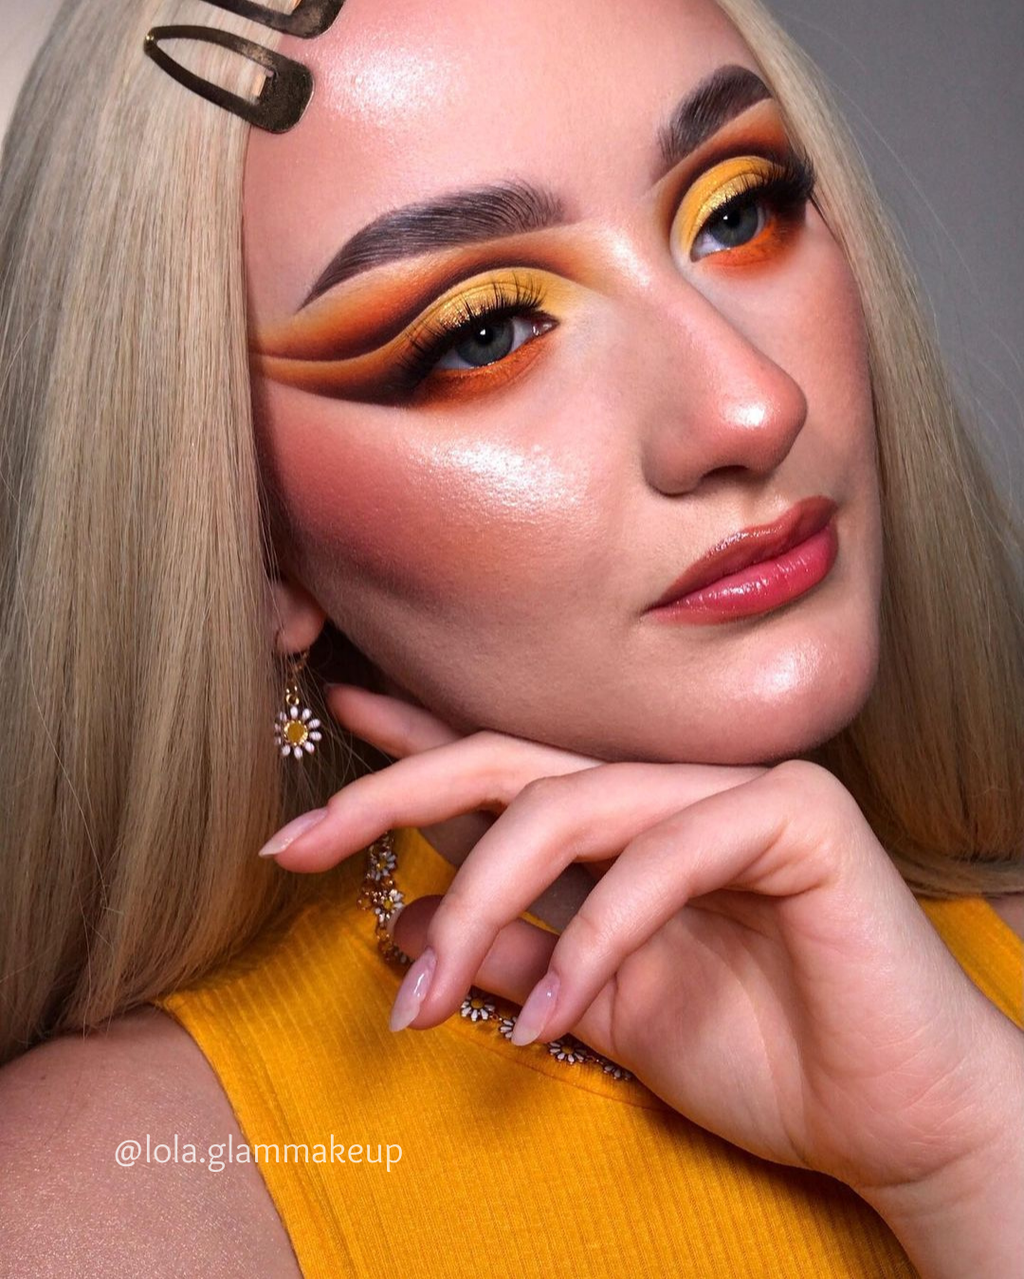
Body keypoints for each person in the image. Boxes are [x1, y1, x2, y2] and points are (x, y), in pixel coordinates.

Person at [0, 0, 1022, 1275]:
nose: (753, 404)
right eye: (483, 333)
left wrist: (976, 1150)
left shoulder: (984, 1037)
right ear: (243, 534)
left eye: (739, 211)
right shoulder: (114, 1202)